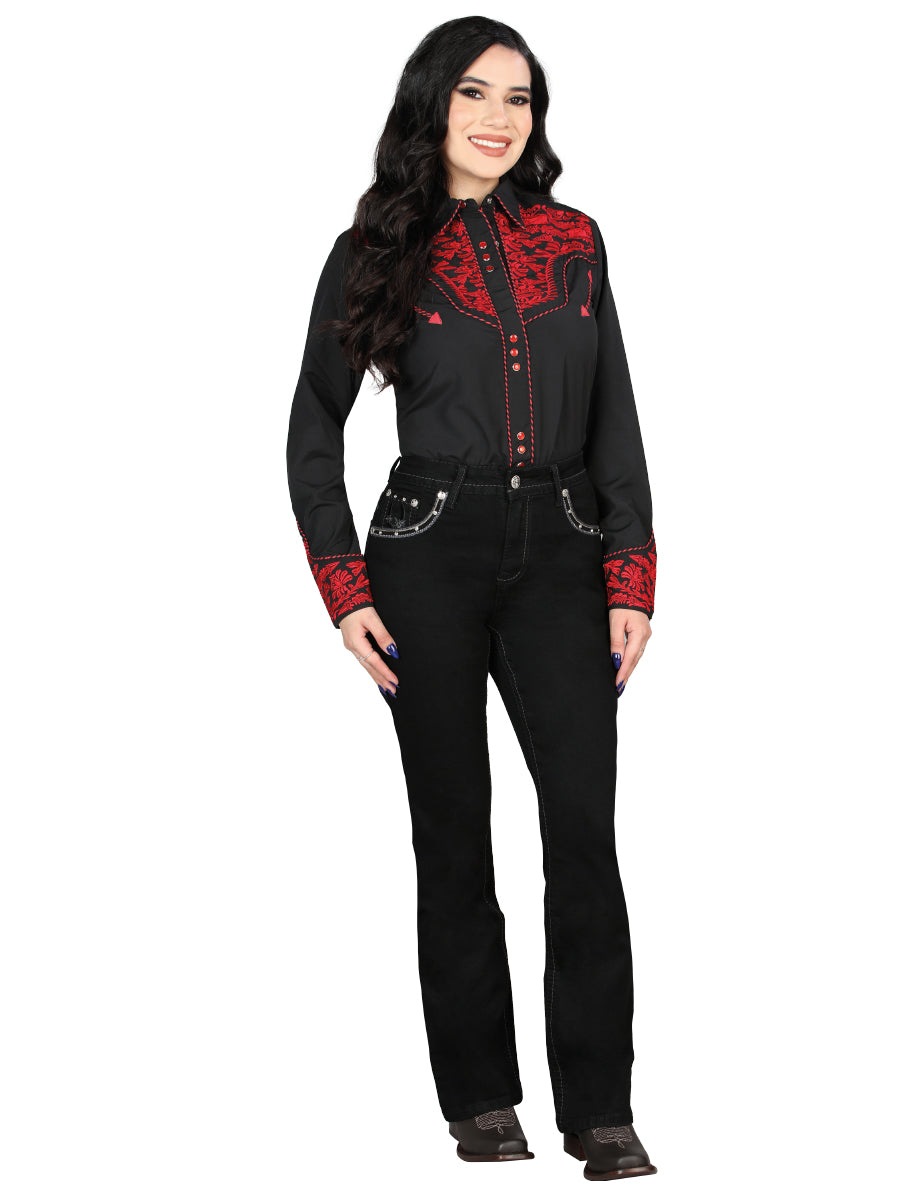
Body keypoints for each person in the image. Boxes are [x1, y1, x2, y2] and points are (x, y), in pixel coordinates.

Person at [286, 17, 658, 1182]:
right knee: (451, 838)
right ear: (431, 107)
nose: (500, 118)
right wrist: (344, 588)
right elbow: (312, 434)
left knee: (582, 835)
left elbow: (615, 419)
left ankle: (601, 1112)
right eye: (475, 95)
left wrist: (632, 574)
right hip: (425, 553)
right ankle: (483, 1102)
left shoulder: (576, 241)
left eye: (520, 98)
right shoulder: (373, 249)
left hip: (564, 554)